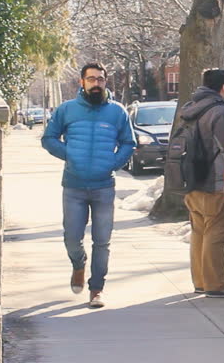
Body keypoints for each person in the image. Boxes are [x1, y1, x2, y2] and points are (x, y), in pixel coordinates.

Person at [42, 62, 136, 309]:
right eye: (91, 79)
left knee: (102, 241)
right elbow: (48, 138)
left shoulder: (118, 112)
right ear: (82, 82)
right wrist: (70, 154)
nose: (97, 83)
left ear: (106, 82)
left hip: (104, 186)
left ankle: (96, 289)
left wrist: (113, 163)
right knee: (72, 238)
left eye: (101, 79)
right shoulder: (67, 110)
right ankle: (78, 264)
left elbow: (129, 143)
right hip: (73, 186)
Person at [182, 69, 224, 298]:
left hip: (191, 180)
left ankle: (201, 281)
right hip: (216, 182)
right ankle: (216, 284)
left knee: (199, 232)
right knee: (218, 232)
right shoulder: (220, 112)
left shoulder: (189, 109)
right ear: (223, 87)